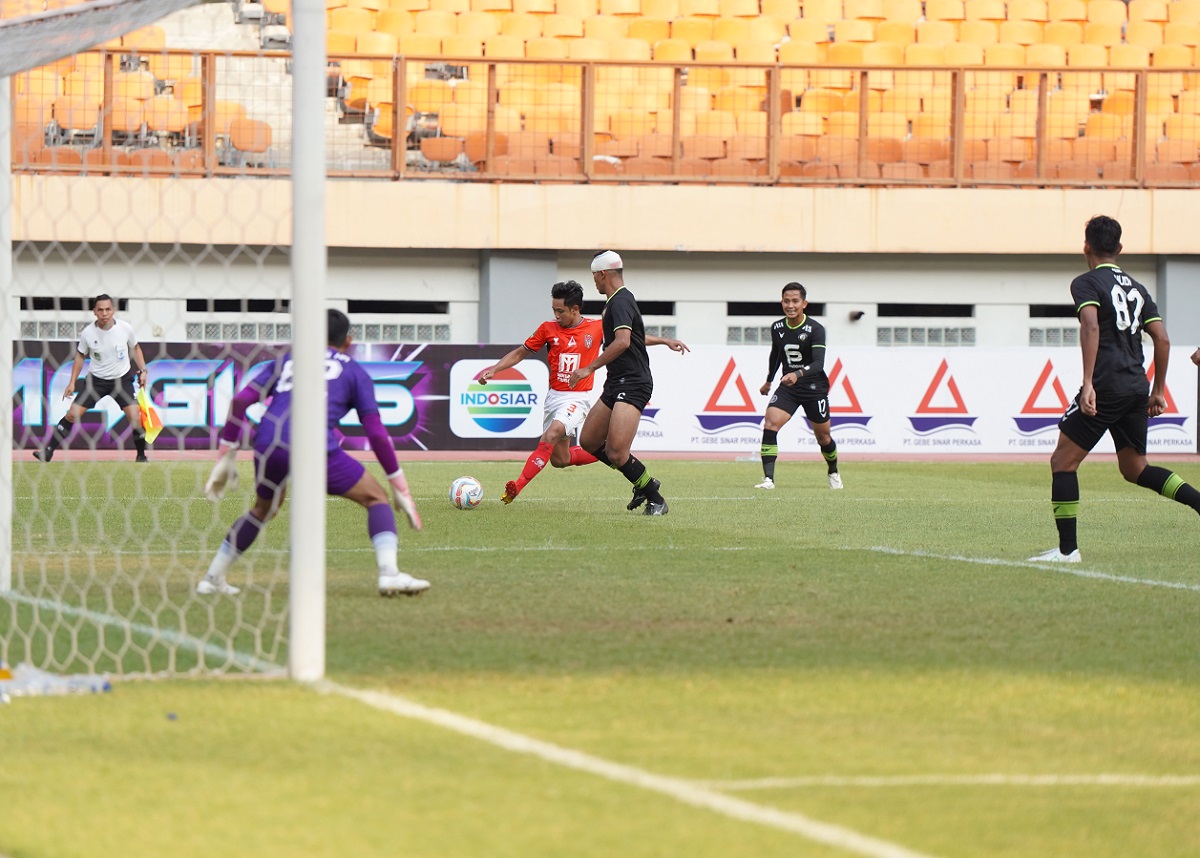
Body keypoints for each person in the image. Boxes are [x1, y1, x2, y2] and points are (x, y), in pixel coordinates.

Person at [198, 309, 428, 596]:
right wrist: (399, 484)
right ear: (348, 341)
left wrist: (227, 454)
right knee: (376, 497)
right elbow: (376, 433)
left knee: (263, 509)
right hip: (311, 446)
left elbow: (241, 400)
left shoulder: (286, 360)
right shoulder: (354, 370)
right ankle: (389, 574)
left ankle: (212, 578)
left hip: (268, 442)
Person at [1029, 215, 1200, 563]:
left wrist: (1089, 383)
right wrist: (1158, 390)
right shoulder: (1138, 289)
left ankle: (1067, 550)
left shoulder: (1086, 283)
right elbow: (1162, 339)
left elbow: (1090, 326)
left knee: (1062, 461)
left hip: (1106, 384)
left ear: (1086, 247)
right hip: (1137, 386)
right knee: (1135, 468)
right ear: (1120, 249)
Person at [476, 280, 689, 505]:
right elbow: (520, 353)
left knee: (550, 435)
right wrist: (495, 369)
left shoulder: (596, 328)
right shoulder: (547, 329)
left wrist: (664, 340)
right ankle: (618, 459)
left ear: (575, 309)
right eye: (553, 310)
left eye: (560, 311)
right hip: (554, 399)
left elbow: (630, 339)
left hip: (578, 398)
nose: (556, 315)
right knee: (560, 459)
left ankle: (516, 487)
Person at [567, 250, 671, 515]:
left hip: (634, 383)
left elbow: (623, 342)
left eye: (594, 277)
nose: (594, 282)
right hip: (616, 382)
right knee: (589, 441)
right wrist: (664, 340)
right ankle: (641, 479)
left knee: (616, 451)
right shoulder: (616, 301)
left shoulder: (619, 301)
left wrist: (588, 368)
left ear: (603, 274)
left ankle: (655, 498)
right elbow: (634, 337)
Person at [34, 293, 150, 463]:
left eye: (108, 309)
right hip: (96, 381)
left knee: (136, 417)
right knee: (72, 415)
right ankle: (49, 451)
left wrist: (144, 370)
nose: (104, 313)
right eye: (100, 310)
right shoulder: (88, 333)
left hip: (121, 380)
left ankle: (141, 456)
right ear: (94, 311)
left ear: (114, 310)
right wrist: (72, 382)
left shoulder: (125, 328)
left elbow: (136, 348)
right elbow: (80, 357)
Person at [755, 282, 842, 491]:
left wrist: (797, 373)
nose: (790, 305)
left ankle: (833, 470)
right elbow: (776, 355)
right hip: (789, 387)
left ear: (804, 303)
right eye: (786, 301)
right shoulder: (777, 327)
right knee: (770, 423)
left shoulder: (816, 329)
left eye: (795, 301)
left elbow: (818, 364)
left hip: (814, 387)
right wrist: (769, 380)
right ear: (782, 302)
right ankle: (769, 479)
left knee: (823, 437)